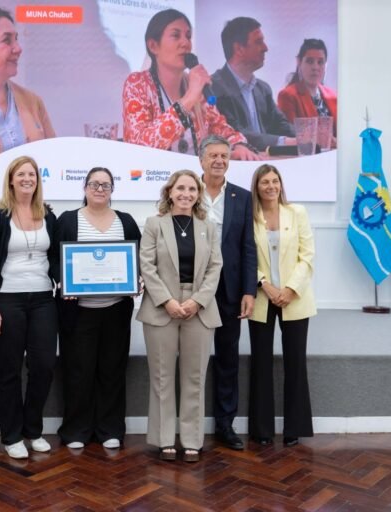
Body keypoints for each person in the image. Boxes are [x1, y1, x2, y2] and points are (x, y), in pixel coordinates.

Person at [0, 155, 58, 459]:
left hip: (42, 300)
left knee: (44, 366)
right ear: (11, 179)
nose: (27, 179)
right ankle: (11, 435)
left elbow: (58, 260)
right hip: (6, 299)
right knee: (9, 369)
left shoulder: (47, 214)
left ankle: (32, 430)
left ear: (38, 180)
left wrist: (73, 284)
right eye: (21, 174)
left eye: (32, 175)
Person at [137, 170, 222, 463]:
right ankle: (164, 440)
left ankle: (191, 440)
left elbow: (215, 267)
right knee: (161, 378)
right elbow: (146, 266)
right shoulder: (153, 224)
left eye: (192, 189)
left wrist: (197, 301)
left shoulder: (208, 227)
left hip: (199, 309)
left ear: (199, 194)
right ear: (169, 192)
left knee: (194, 378)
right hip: (162, 308)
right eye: (180, 188)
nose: (186, 194)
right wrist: (168, 301)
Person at [55, 167, 141, 450]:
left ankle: (110, 428)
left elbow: (139, 258)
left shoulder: (125, 221)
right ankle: (76, 430)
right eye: (94, 184)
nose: (100, 189)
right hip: (78, 312)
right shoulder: (68, 220)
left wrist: (137, 279)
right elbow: (54, 259)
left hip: (116, 310)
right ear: (84, 187)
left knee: (112, 370)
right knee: (78, 371)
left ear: (113, 189)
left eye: (106, 184)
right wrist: (63, 282)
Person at [122, 8, 259, 161]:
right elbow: (138, 146)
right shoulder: (137, 84)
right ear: (153, 46)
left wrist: (237, 145)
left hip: (196, 180)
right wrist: (188, 100)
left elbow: (219, 127)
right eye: (176, 35)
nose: (186, 43)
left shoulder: (195, 84)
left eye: (188, 36)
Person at [248, 165, 316, 447]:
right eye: (265, 182)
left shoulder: (296, 212)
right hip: (263, 298)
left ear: (281, 184)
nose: (271, 186)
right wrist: (266, 285)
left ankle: (294, 428)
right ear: (257, 186)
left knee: (295, 362)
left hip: (294, 298)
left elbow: (307, 255)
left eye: (275, 181)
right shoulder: (248, 217)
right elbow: (245, 256)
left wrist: (289, 289)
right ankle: (262, 430)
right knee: (261, 364)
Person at [198, 135, 257, 452]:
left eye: (224, 155)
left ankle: (225, 424)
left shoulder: (242, 197)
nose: (219, 160)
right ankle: (190, 424)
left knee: (227, 357)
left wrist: (250, 289)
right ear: (201, 160)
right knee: (194, 358)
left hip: (230, 289)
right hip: (192, 289)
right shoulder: (186, 191)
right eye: (213, 156)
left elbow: (249, 246)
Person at [211, 17, 295, 152]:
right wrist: (286, 141)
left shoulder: (263, 88)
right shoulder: (214, 87)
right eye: (258, 42)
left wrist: (308, 137)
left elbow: (281, 125)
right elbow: (235, 132)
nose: (265, 48)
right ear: (239, 49)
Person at [0, 7, 55, 154]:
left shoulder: (33, 101)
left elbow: (55, 158)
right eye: (6, 40)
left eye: (16, 39)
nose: (18, 48)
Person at [277, 39, 338, 137]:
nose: (315, 67)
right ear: (299, 62)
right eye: (310, 61)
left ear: (326, 65)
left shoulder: (334, 96)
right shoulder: (288, 96)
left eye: (320, 62)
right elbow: (292, 136)